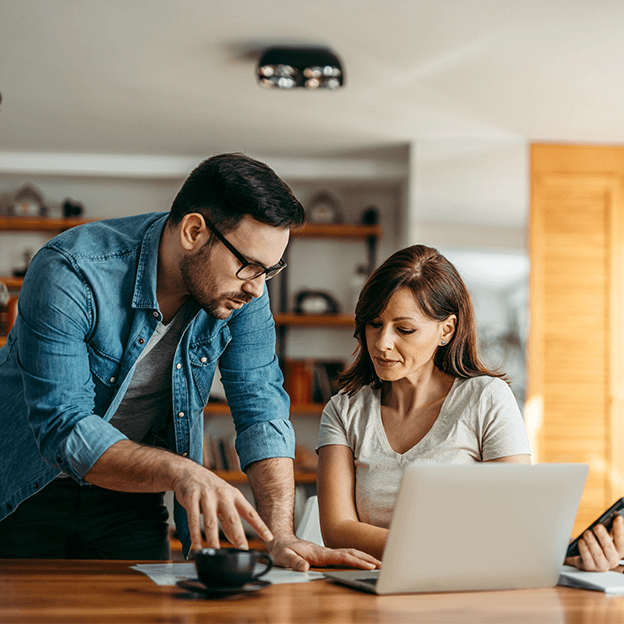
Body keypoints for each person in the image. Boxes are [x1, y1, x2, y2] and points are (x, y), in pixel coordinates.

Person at [0, 153, 377, 571]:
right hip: (23, 490)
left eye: (269, 271)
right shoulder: (71, 271)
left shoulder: (245, 288)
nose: (257, 289)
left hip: (130, 497)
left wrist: (281, 536)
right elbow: (63, 425)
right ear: (194, 231)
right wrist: (180, 470)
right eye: (249, 266)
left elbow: (261, 407)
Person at [316, 244, 624, 572]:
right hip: (370, 587)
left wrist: (568, 558)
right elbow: (337, 531)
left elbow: (518, 521)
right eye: (374, 324)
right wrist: (449, 547)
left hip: (466, 586)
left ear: (446, 330)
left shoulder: (486, 399)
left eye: (404, 329)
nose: (382, 343)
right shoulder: (343, 410)